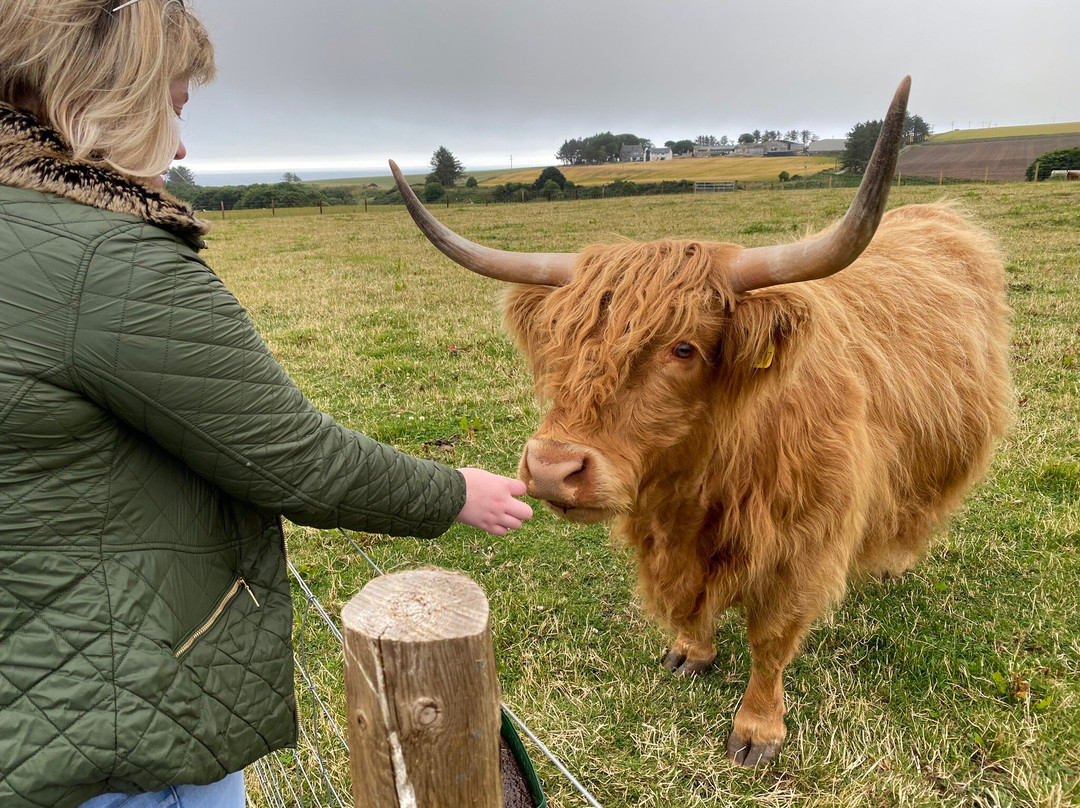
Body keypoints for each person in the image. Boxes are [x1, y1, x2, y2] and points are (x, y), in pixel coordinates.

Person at [0, 2, 533, 806]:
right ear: (103, 93)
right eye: (172, 106)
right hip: (117, 729)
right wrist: (458, 491)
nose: (181, 144)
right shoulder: (106, 259)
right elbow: (295, 458)